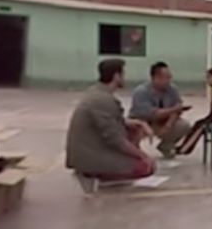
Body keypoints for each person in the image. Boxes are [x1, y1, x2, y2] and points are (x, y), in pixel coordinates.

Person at [65, 59, 155, 187]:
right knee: (147, 167)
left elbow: (114, 121)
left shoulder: (97, 92)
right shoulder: (102, 100)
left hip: (93, 147)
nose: (125, 77)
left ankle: (113, 167)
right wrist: (144, 156)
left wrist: (139, 123)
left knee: (134, 129)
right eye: (123, 74)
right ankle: (97, 175)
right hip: (90, 155)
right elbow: (115, 138)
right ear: (116, 76)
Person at [128, 62, 193, 159]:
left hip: (163, 121)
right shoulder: (141, 92)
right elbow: (152, 113)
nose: (169, 80)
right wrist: (175, 109)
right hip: (143, 121)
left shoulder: (172, 89)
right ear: (155, 77)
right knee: (135, 129)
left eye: (169, 77)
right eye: (166, 77)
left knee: (184, 125)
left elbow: (177, 107)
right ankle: (134, 150)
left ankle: (166, 146)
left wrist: (170, 123)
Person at [174, 68, 212, 155]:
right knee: (197, 123)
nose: (207, 80)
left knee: (201, 127)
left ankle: (185, 149)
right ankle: (184, 146)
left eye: (209, 78)